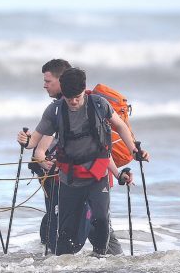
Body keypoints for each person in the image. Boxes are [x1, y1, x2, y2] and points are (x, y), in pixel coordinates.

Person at [29, 67, 148, 255]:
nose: (73, 102)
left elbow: (119, 126)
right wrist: (26, 141)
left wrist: (134, 150)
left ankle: (101, 260)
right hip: (69, 179)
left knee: (101, 221)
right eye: (69, 99)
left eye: (77, 97)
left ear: (84, 89)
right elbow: (34, 142)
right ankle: (61, 271)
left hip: (97, 175)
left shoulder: (99, 105)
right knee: (66, 234)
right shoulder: (56, 110)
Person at [18, 58, 123, 254]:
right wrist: (38, 155)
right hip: (74, 175)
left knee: (97, 224)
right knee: (84, 225)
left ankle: (111, 263)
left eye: (48, 81)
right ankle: (104, 263)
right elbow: (41, 146)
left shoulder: (75, 106)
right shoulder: (59, 107)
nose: (44, 85)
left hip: (94, 173)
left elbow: (43, 147)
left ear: (61, 81)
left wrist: (40, 158)